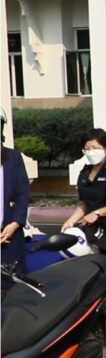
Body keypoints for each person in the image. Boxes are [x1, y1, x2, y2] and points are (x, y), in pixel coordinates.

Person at [62, 129, 106, 351]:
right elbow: (84, 203)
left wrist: (99, 213)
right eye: (87, 148)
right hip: (89, 234)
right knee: (92, 282)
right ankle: (94, 328)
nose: (91, 152)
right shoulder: (84, 172)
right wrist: (71, 221)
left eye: (95, 147)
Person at [1, 107, 31, 283]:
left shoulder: (13, 158)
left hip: (9, 233)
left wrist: (15, 223)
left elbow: (22, 193)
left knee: (12, 284)